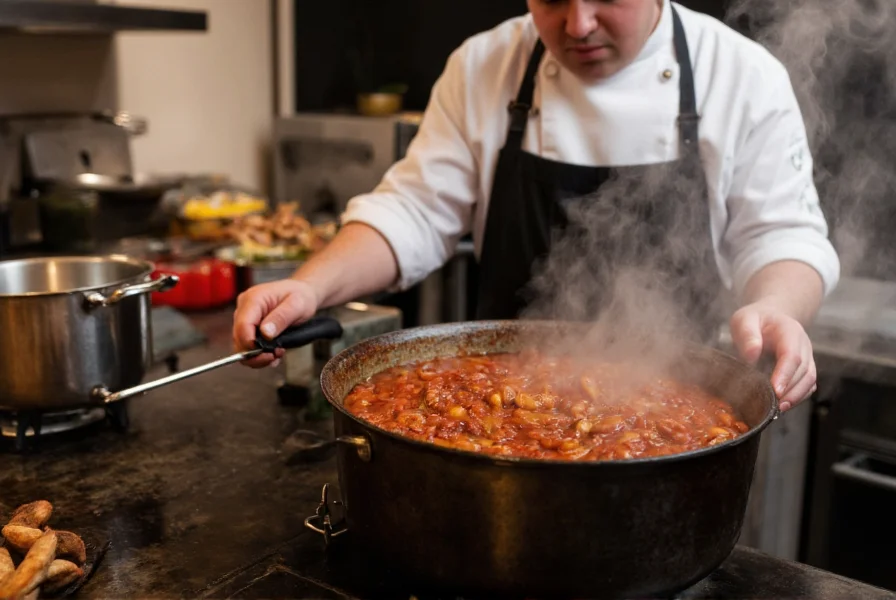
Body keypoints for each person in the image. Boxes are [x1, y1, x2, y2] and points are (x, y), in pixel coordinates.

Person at [233, 0, 840, 412]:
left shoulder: (742, 74)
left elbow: (784, 236)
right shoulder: (483, 64)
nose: (578, 25)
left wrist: (777, 308)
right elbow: (413, 211)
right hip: (488, 408)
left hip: (680, 407)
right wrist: (312, 286)